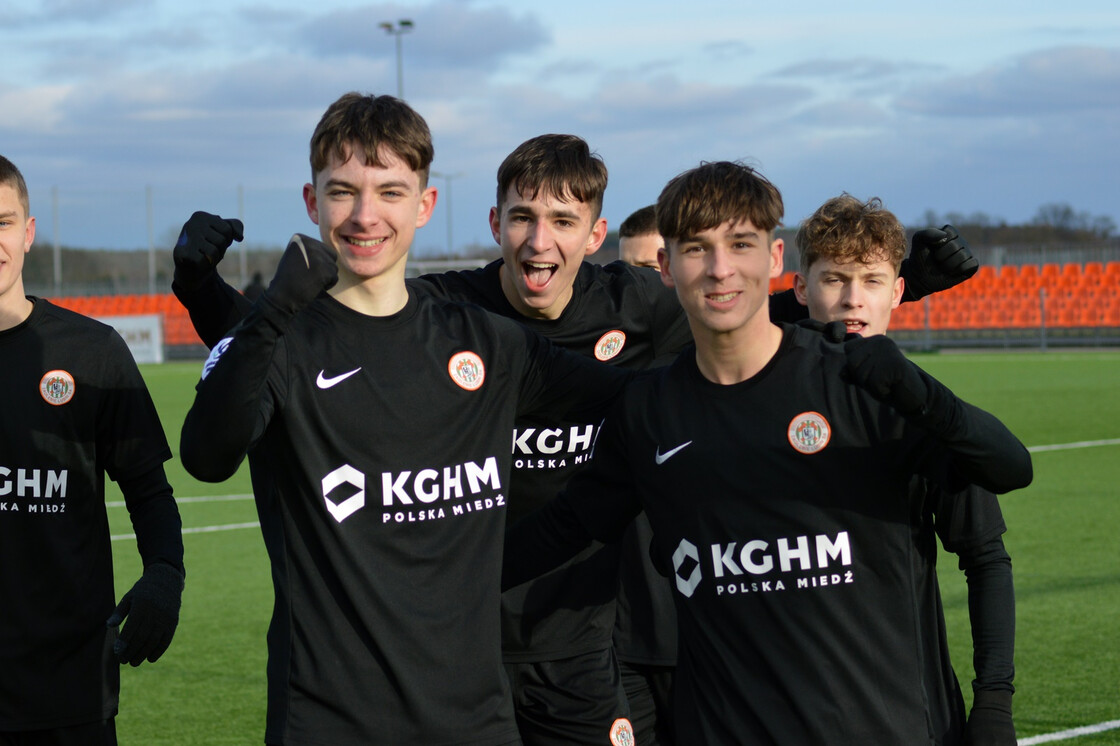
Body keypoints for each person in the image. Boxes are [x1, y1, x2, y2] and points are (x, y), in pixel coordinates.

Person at [172, 134, 980, 746]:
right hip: (458, 646)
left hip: (585, 639)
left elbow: (736, 326)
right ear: (494, 224)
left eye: (561, 221)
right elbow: (289, 355)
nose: (538, 241)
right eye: (521, 218)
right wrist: (204, 290)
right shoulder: (452, 314)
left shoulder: (641, 306)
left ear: (594, 236)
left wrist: (870, 306)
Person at [502, 161, 1032, 745]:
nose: (721, 268)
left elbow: (1010, 468)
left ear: (774, 259)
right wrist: (408, 571)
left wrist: (924, 394)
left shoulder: (863, 383)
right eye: (697, 249)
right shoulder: (650, 411)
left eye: (741, 244)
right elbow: (555, 534)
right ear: (666, 267)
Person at [177, 94, 636, 745]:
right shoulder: (284, 341)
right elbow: (207, 453)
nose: (366, 216)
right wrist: (272, 310)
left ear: (424, 204)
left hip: (476, 724)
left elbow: (636, 397)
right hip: (330, 724)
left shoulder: (486, 342)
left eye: (390, 191)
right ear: (312, 203)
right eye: (343, 192)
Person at [793, 194, 1017, 745]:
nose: (852, 299)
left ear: (899, 291)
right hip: (773, 713)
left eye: (871, 280)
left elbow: (985, 557)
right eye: (833, 280)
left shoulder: (922, 411)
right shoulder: (747, 400)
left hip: (906, 714)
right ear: (800, 289)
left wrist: (994, 702)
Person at [0, 155, 185, 745]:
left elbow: (149, 491)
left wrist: (165, 573)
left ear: (28, 234)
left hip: (66, 688)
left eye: (1, 222)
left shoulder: (92, 352)